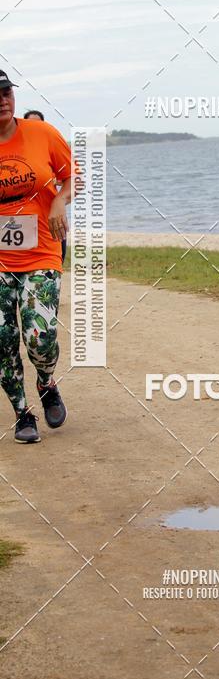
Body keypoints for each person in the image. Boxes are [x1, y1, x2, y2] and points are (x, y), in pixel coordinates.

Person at [0, 72, 72, 443]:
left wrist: (59, 200)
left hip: (41, 251)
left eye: (6, 92)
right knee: (2, 340)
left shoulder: (42, 134)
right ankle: (22, 414)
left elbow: (71, 176)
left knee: (40, 336)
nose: (2, 100)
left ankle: (46, 382)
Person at [23, 110, 68, 265]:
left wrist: (59, 196)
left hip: (49, 213)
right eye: (30, 124)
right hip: (21, 216)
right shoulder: (18, 146)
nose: (35, 128)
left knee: (57, 256)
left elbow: (71, 178)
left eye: (39, 124)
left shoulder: (50, 146)